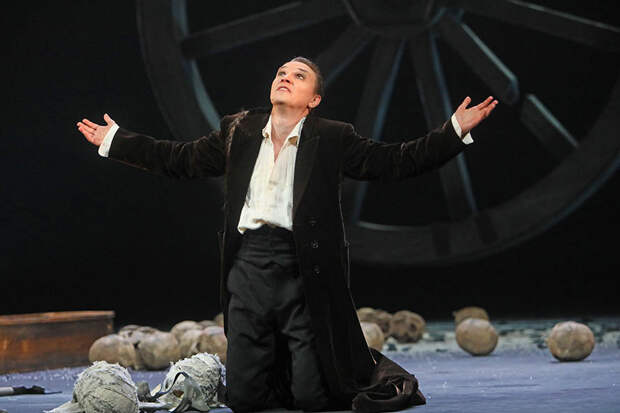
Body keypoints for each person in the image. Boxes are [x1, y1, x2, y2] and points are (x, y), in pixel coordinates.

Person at [77, 56, 497, 413]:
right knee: (244, 399)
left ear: (313, 100)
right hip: (249, 267)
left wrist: (453, 131)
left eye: (299, 76)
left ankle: (328, 367)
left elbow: (395, 161)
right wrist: (117, 141)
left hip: (304, 268)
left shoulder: (332, 136)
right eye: (281, 72)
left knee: (312, 397)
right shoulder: (238, 130)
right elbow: (179, 158)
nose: (285, 77)